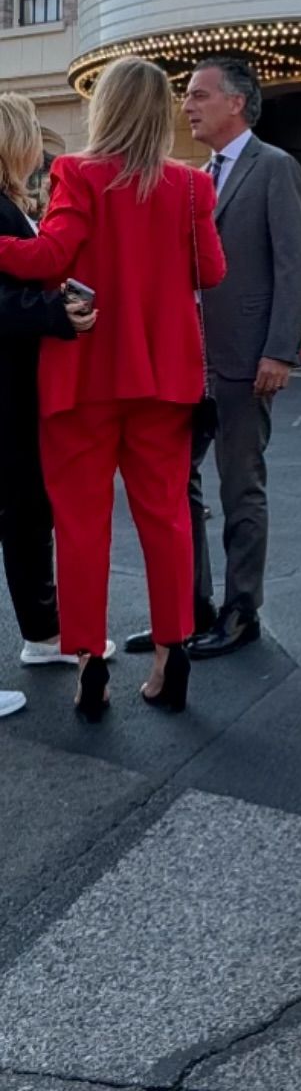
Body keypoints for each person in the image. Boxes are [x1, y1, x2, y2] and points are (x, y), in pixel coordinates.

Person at [0, 58, 226, 721]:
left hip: (84, 376)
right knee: (167, 516)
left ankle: (89, 661)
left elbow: (50, 257)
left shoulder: (78, 175)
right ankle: (170, 648)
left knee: (79, 521)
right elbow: (210, 270)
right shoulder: (190, 187)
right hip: (165, 377)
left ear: (104, 110)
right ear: (160, 114)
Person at [124, 57, 301, 662]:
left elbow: (293, 264)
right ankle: (188, 610)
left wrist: (280, 350)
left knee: (241, 487)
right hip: (187, 361)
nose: (187, 105)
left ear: (237, 103)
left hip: (244, 361)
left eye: (200, 95)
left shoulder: (274, 168)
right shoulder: (194, 177)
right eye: (186, 97)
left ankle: (240, 612)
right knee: (175, 485)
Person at [0, 94, 104, 719]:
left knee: (28, 513)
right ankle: (45, 634)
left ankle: (44, 636)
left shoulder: (15, 205)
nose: (42, 149)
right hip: (7, 390)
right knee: (19, 513)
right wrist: (52, 313)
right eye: (34, 135)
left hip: (18, 391)